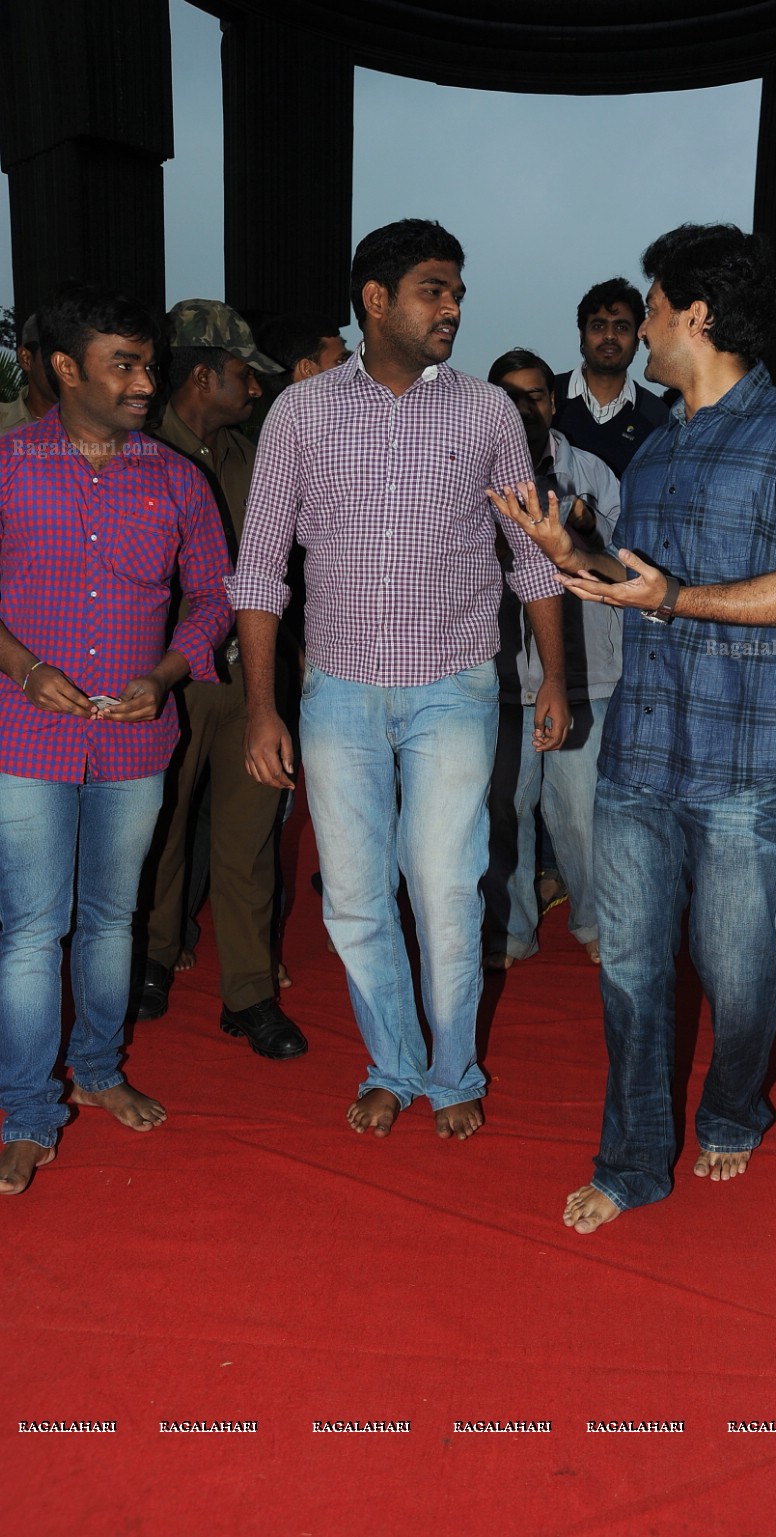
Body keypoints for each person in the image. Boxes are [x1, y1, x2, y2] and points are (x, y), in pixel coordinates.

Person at [489, 223, 776, 1232]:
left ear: (696, 315)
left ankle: (736, 1107)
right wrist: (576, 550)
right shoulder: (653, 450)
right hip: (640, 758)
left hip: (748, 761)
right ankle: (633, 1159)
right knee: (632, 974)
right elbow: (638, 588)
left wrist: (678, 598)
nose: (641, 327)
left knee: (743, 981)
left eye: (652, 309)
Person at [230, 218, 568, 1141]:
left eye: (456, 289)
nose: (452, 306)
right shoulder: (299, 413)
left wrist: (553, 680)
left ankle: (452, 1069)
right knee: (350, 895)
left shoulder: (486, 412)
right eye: (433, 289)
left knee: (446, 886)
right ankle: (392, 1060)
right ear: (376, 300)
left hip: (454, 685)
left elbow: (530, 558)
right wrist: (262, 707)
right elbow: (260, 569)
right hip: (336, 690)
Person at [0, 280, 232, 1194]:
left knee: (110, 919)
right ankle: (25, 1106)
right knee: (29, 931)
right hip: (25, 736)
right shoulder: (10, 465)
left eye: (148, 362)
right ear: (67, 370)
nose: (145, 381)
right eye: (123, 364)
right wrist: (22, 667)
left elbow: (213, 597)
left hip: (137, 743)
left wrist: (168, 673)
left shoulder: (178, 479)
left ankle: (95, 1071)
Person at [135, 300, 307, 1061]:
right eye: (245, 375)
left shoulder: (253, 456)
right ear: (201, 374)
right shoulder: (132, 453)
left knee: (248, 839)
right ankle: (149, 960)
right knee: (161, 829)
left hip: (252, 682)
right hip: (165, 680)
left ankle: (248, 994)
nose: (257, 389)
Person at [483, 347, 621, 969]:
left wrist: (585, 531)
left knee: (583, 812)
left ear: (553, 401)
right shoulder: (472, 471)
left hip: (584, 670)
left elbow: (627, 564)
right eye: (509, 395)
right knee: (504, 807)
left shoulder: (592, 470)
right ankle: (511, 929)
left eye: (535, 395)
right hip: (501, 671)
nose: (523, 407)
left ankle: (595, 920)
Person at [553, 278, 669, 478]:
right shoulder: (548, 396)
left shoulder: (656, 416)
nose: (609, 336)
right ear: (582, 336)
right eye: (598, 326)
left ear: (638, 339)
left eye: (621, 327)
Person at [0, 313, 57, 435]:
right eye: (55, 358)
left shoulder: (101, 423)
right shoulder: (3, 424)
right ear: (25, 358)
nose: (67, 368)